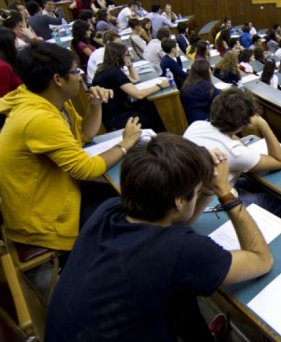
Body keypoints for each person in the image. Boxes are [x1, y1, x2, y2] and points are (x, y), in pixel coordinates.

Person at [45, 134, 274, 341]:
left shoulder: (109, 210)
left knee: (180, 292)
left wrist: (201, 183)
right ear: (178, 201)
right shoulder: (182, 250)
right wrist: (225, 192)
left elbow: (179, 219)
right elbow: (261, 259)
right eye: (196, 191)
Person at [0, 42, 142, 251]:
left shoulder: (51, 100)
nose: (80, 76)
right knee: (131, 209)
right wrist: (126, 143)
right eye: (75, 72)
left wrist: (95, 105)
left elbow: (85, 133)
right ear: (57, 79)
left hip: (60, 191)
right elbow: (85, 169)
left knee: (126, 194)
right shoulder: (38, 117)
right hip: (45, 220)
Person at [184, 88, 281, 211]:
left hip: (192, 192)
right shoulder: (235, 152)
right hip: (212, 203)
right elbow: (279, 161)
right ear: (243, 123)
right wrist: (263, 125)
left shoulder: (196, 125)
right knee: (278, 199)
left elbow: (229, 137)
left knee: (249, 182)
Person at [93, 42, 168, 130]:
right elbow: (139, 95)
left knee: (147, 106)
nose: (130, 57)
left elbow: (135, 80)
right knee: (151, 115)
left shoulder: (108, 68)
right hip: (115, 117)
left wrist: (130, 66)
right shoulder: (113, 72)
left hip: (114, 113)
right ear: (119, 56)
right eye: (127, 54)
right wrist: (160, 86)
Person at [181, 59, 221, 124]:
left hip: (193, 118)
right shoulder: (204, 86)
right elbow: (220, 96)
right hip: (203, 121)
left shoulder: (189, 82)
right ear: (205, 71)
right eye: (209, 69)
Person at [0, 27, 22, 98]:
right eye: (15, 41)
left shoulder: (7, 62)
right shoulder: (3, 68)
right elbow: (3, 98)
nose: (18, 43)